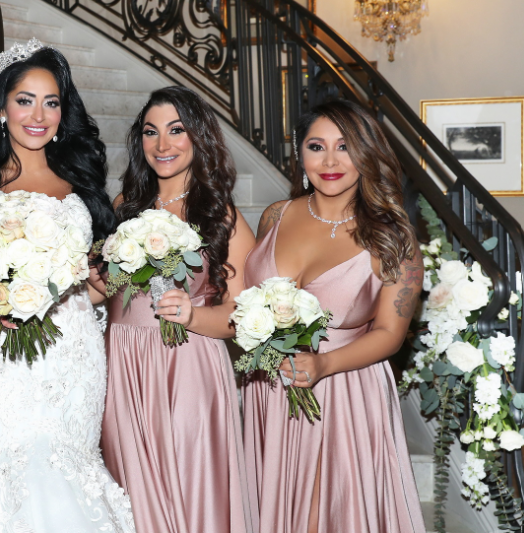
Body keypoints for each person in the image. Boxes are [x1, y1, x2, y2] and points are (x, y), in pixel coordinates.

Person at [0, 38, 136, 533]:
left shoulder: (82, 182)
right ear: (2, 108)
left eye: (51, 102)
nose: (38, 114)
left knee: (70, 461)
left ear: (64, 112)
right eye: (25, 100)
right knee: (3, 466)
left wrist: (113, 277)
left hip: (72, 350)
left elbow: (96, 285)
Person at [243, 99, 425, 533]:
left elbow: (389, 333)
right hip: (269, 387)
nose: (329, 160)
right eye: (316, 146)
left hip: (343, 391)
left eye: (344, 147)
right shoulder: (275, 215)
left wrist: (324, 363)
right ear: (299, 153)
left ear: (365, 154)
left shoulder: (393, 238)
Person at [100, 87, 259, 533]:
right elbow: (108, 291)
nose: (162, 145)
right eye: (151, 132)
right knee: (129, 487)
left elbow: (240, 314)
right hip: (123, 364)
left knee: (192, 484)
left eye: (176, 131)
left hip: (188, 363)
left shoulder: (218, 214)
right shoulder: (123, 209)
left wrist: (191, 315)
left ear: (199, 137)